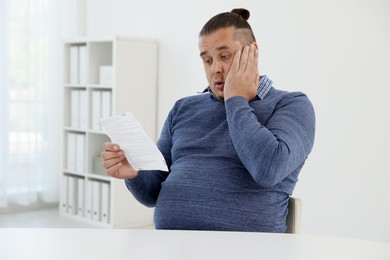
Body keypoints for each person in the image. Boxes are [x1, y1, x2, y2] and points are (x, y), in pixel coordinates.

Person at [101, 8, 315, 232]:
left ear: (253, 52)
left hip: (249, 250)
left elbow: (268, 169)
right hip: (171, 246)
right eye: (208, 60)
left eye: (224, 56)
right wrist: (134, 173)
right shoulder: (183, 108)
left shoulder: (292, 105)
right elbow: (152, 193)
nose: (216, 69)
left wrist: (236, 99)